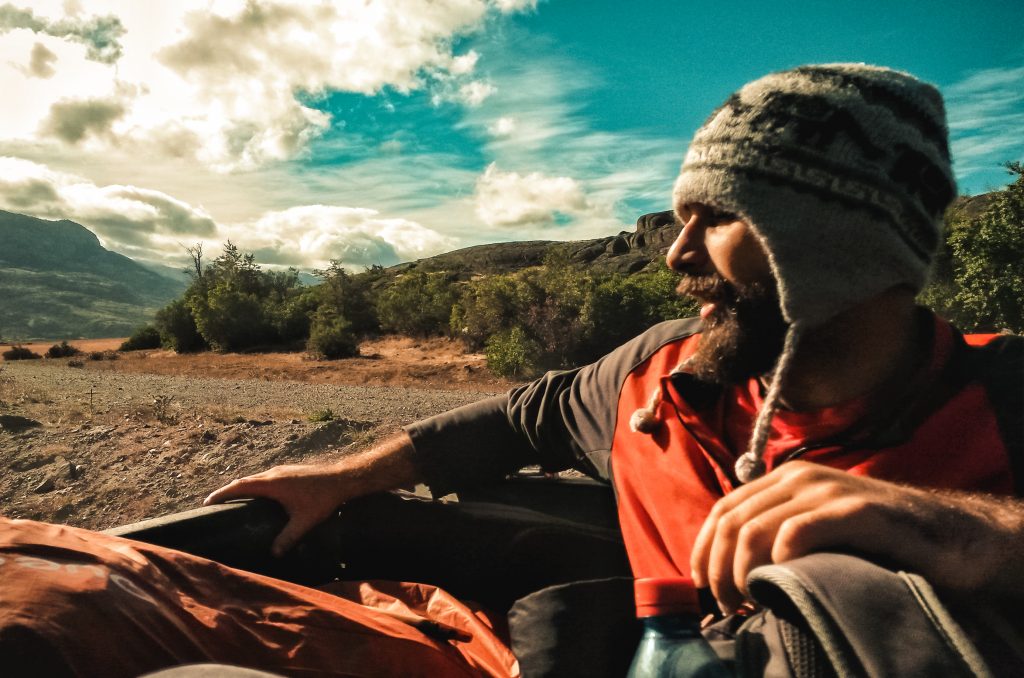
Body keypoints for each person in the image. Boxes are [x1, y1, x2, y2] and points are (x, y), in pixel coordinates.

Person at [2, 63, 1022, 676]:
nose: (673, 257)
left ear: (838, 245)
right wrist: (343, 477)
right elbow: (518, 417)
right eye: (678, 218)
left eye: (717, 220)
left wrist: (954, 532)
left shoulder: (1002, 393)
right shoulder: (656, 380)